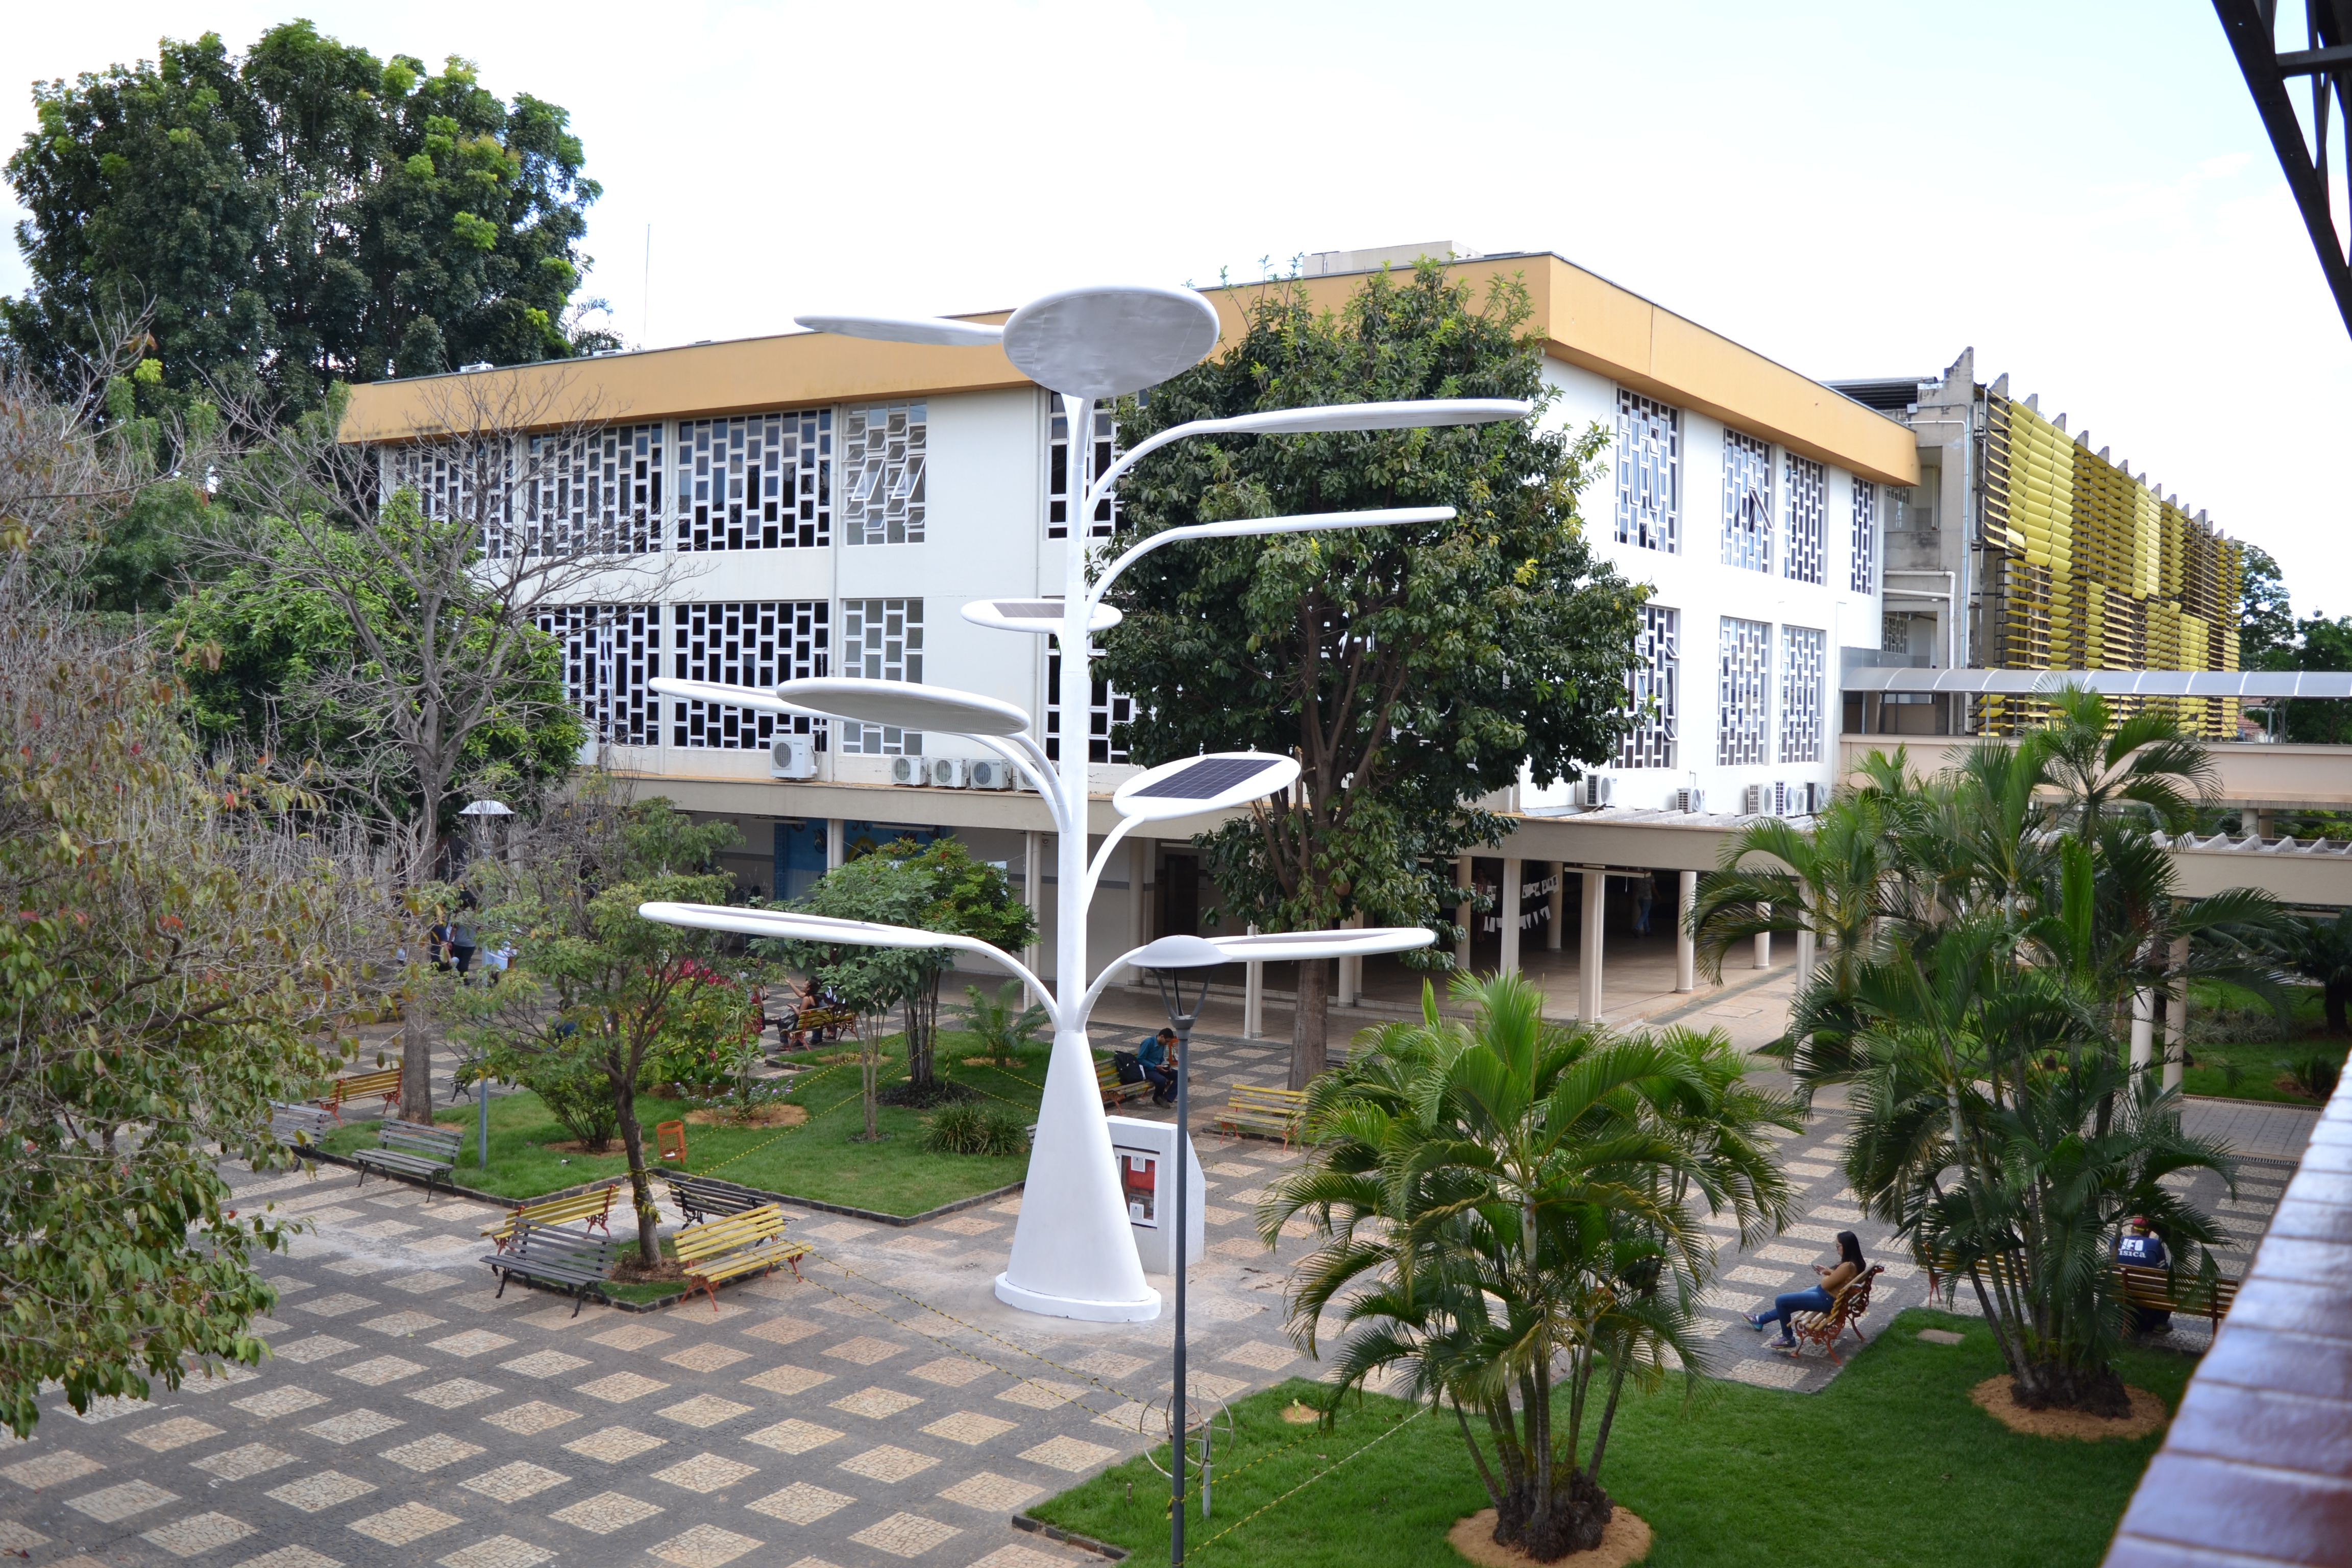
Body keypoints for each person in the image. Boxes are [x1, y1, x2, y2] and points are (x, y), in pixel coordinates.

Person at [1745, 1231, 1867, 1350]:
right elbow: (1842, 1278)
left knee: (1781, 1300)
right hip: (1831, 1297)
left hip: (1827, 1299)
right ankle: (1760, 1320)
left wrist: (1825, 1275)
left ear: (1847, 1247)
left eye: (1838, 1246)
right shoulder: (1858, 1263)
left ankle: (1788, 1338)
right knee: (1790, 1302)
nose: (1837, 1249)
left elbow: (1825, 1285)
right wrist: (1828, 1271)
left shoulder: (1847, 1266)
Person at [2114, 1216, 2172, 1333]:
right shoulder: (2155, 1244)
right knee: (2170, 1287)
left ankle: (2120, 1320)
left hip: (2118, 1291)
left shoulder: (2116, 1241)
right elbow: (2163, 1273)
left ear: (2131, 1229)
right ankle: (2160, 1324)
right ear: (2149, 1232)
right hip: (2145, 1293)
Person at [1138, 1027, 1180, 1107]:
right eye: (1167, 1041)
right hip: (1148, 1069)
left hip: (1159, 1067)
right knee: (1161, 1080)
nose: (1167, 1044)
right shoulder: (1148, 1043)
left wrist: (1166, 1065)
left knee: (1181, 1075)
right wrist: (1155, 1066)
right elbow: (1140, 1059)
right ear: (1162, 1037)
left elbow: (1161, 1058)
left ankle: (1167, 1098)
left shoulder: (1162, 1045)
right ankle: (1157, 1098)